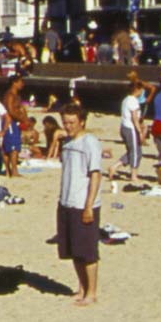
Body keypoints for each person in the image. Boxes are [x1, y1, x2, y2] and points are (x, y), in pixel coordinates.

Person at [58, 105, 105, 306]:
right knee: (73, 250)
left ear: (82, 121)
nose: (68, 126)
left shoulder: (90, 142)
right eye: (65, 122)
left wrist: (88, 205)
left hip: (83, 203)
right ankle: (82, 287)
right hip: (66, 201)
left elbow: (95, 174)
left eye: (72, 122)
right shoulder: (67, 143)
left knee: (87, 251)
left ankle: (92, 292)